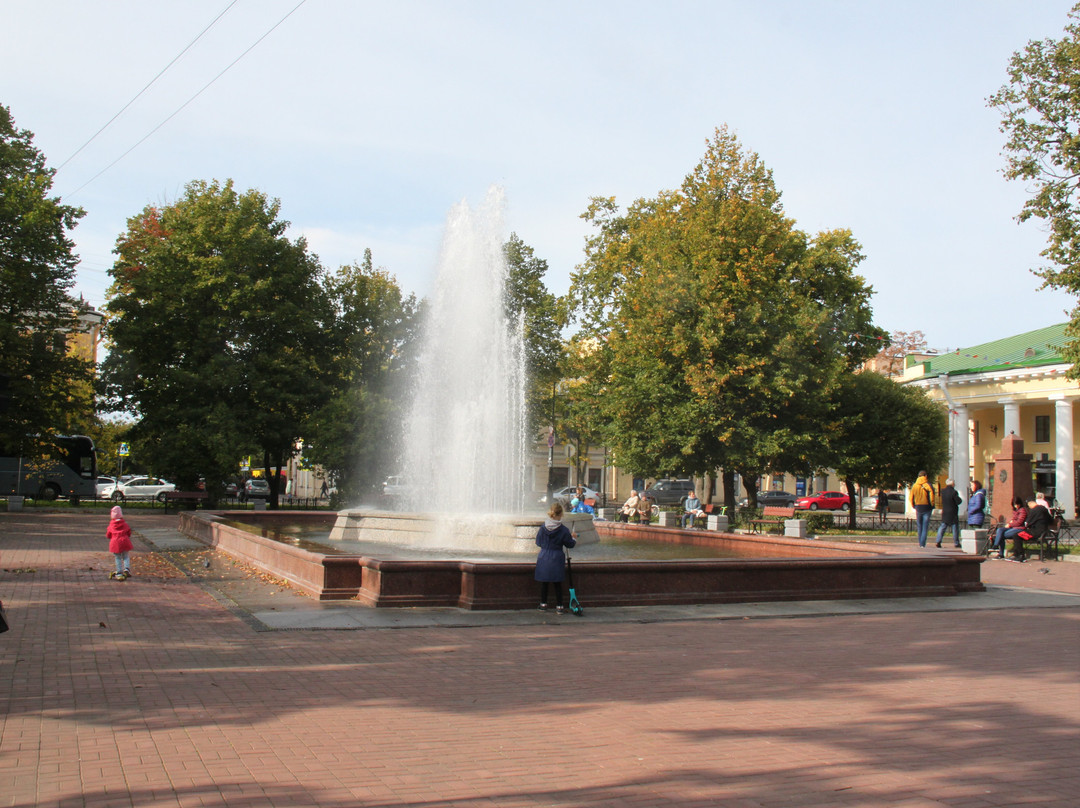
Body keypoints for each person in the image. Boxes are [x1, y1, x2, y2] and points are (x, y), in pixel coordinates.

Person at [534, 502, 577, 613]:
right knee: (557, 583)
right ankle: (559, 606)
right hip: (557, 556)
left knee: (545, 582)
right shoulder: (563, 529)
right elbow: (570, 544)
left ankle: (543, 604)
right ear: (561, 514)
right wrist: (574, 538)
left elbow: (538, 542)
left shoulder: (543, 527)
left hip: (544, 556)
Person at [107, 505, 133, 580]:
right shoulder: (125, 524)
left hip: (115, 543)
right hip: (125, 541)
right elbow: (129, 533)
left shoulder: (111, 525)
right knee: (126, 556)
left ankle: (119, 572)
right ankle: (127, 569)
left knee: (118, 557)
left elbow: (108, 535)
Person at [910, 471, 935, 547]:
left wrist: (913, 505)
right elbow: (932, 496)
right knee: (925, 526)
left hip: (918, 507)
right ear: (925, 476)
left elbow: (911, 497)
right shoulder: (928, 485)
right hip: (927, 507)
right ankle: (922, 544)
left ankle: (920, 542)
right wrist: (932, 504)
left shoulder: (914, 486)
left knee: (919, 526)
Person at [935, 478, 963, 548]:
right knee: (955, 528)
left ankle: (938, 541)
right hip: (953, 512)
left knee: (943, 527)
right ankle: (956, 543)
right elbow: (958, 501)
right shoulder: (954, 492)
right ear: (952, 484)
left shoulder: (943, 491)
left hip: (945, 512)